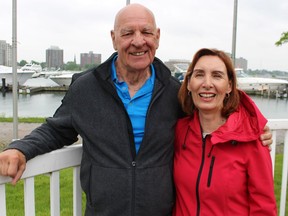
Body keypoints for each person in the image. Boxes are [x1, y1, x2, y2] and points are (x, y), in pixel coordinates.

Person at [0, 4, 272, 216]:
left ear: (158, 37)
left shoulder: (173, 91)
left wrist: (255, 125)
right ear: (113, 38)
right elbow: (56, 130)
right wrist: (20, 148)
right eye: (128, 33)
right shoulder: (86, 88)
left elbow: (212, 113)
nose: (138, 41)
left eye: (146, 32)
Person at [173, 48, 277, 215]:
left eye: (217, 75)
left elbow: (264, 208)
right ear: (189, 84)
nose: (207, 83)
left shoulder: (252, 140)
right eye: (199, 74)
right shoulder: (179, 131)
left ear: (229, 86)